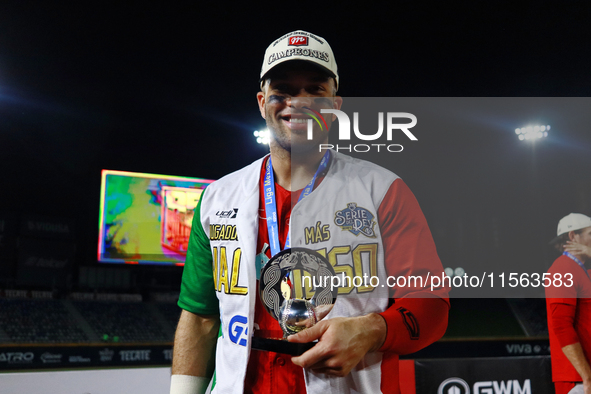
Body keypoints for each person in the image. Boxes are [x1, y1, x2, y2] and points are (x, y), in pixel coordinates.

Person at [170, 30, 449, 394]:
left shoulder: (383, 190)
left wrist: (373, 330)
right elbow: (200, 317)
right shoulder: (217, 199)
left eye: (315, 90)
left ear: (336, 103)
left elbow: (431, 306)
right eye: (283, 89)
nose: (298, 102)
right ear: (261, 102)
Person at [546, 213, 591, 394]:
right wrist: (586, 376)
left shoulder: (582, 270)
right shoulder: (562, 269)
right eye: (590, 234)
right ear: (573, 236)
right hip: (578, 381)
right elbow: (561, 325)